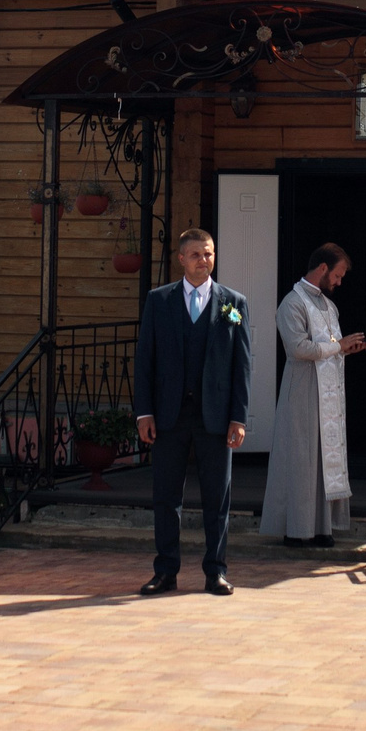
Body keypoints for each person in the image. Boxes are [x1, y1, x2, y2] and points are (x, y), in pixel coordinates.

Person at [134, 228, 251, 595]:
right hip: (169, 416)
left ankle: (216, 571)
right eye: (197, 254)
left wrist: (238, 417)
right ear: (182, 258)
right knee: (166, 497)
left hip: (215, 417)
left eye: (209, 253)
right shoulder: (159, 300)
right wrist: (144, 413)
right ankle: (165, 571)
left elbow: (242, 365)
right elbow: (145, 360)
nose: (204, 260)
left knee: (217, 498)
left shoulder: (233, 303)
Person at [260, 245, 366, 546]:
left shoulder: (329, 306)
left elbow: (332, 346)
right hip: (302, 391)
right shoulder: (292, 303)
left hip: (327, 393)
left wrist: (346, 349)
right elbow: (298, 348)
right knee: (301, 459)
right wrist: (339, 346)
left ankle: (321, 528)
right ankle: (296, 530)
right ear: (322, 268)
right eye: (337, 275)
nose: (339, 282)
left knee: (322, 460)